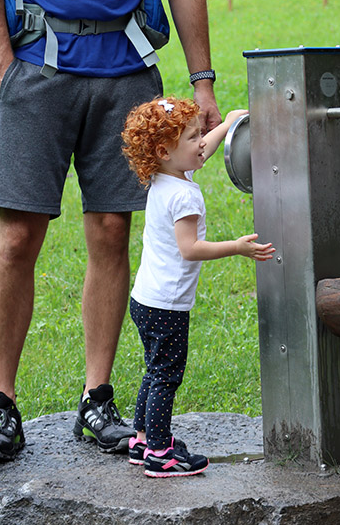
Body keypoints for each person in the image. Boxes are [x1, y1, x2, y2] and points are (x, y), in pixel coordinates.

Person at [0, 0, 221, 462]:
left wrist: (202, 80)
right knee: (15, 241)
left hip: (125, 71)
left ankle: (96, 398)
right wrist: (2, 63)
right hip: (37, 66)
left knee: (112, 232)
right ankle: (2, 400)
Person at [121, 97, 273, 477]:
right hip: (167, 305)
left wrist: (230, 123)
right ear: (164, 150)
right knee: (166, 376)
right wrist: (237, 248)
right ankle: (159, 451)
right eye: (193, 137)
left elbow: (201, 150)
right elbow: (190, 250)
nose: (202, 142)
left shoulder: (165, 177)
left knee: (153, 370)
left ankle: (141, 439)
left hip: (145, 298)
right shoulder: (184, 196)